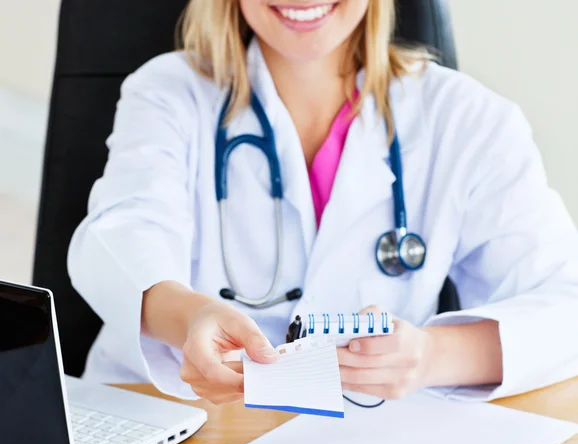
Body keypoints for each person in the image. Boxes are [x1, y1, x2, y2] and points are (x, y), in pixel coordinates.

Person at [68, 0, 578, 406]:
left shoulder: (468, 121)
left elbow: (566, 305)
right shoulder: (169, 93)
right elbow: (119, 238)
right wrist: (192, 316)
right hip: (173, 426)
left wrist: (430, 357)